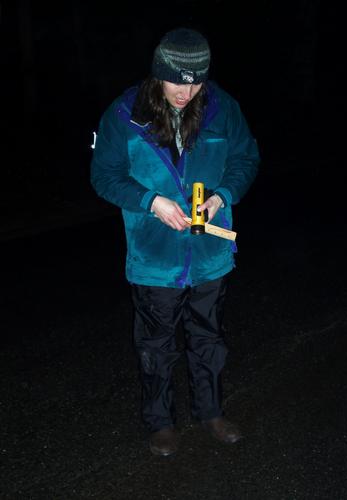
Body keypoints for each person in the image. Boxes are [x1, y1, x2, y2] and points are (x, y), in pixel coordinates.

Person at [90, 27, 260, 456]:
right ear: (158, 72)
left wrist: (222, 197)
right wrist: (151, 201)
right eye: (177, 80)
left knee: (209, 338)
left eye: (195, 81)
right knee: (156, 345)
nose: (186, 92)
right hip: (154, 256)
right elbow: (103, 175)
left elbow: (246, 159)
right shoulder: (125, 114)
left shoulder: (223, 109)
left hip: (210, 252)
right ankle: (161, 422)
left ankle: (211, 413)